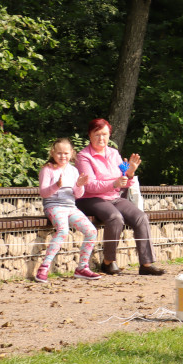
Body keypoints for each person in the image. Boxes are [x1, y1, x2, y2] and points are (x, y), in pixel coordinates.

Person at [74, 118, 163, 275]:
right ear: (89, 135)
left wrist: (130, 173)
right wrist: (114, 184)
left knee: (141, 217)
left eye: (105, 134)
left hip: (113, 197)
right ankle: (108, 262)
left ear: (109, 135)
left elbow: (125, 180)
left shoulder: (114, 153)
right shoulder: (83, 156)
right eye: (97, 134)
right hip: (89, 199)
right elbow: (89, 186)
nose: (101, 138)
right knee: (115, 217)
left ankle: (146, 264)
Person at [35, 138, 100, 282]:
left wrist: (79, 185)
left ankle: (82, 267)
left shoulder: (73, 170)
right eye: (59, 153)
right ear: (53, 153)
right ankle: (44, 267)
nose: (62, 156)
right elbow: (44, 193)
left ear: (72, 153)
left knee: (91, 231)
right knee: (63, 231)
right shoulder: (47, 170)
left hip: (70, 207)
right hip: (54, 206)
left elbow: (78, 195)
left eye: (65, 153)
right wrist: (56, 185)